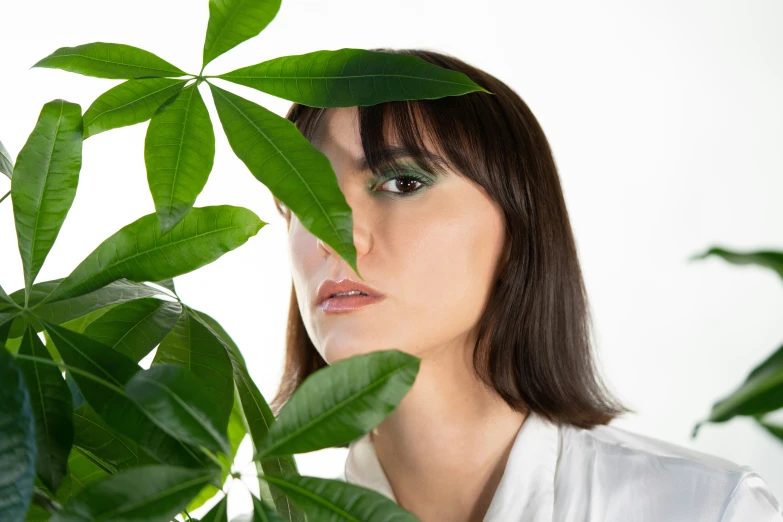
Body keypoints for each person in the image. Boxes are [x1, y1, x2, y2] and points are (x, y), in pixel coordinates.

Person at [268, 48, 783, 522]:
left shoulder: (705, 511)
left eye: (403, 183)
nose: (332, 233)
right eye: (303, 194)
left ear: (518, 224)